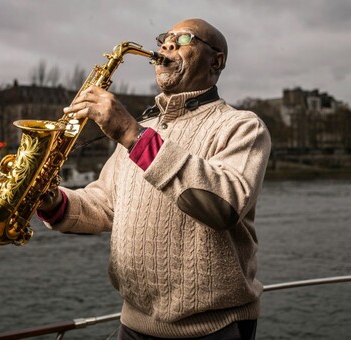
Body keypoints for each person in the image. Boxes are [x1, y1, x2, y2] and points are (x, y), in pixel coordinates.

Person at [37, 18, 271, 340]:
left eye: (184, 38)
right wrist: (53, 201)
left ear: (216, 61)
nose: (167, 45)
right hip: (132, 325)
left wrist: (132, 135)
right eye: (165, 38)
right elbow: (105, 204)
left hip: (214, 330)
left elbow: (224, 206)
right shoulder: (144, 128)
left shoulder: (242, 126)